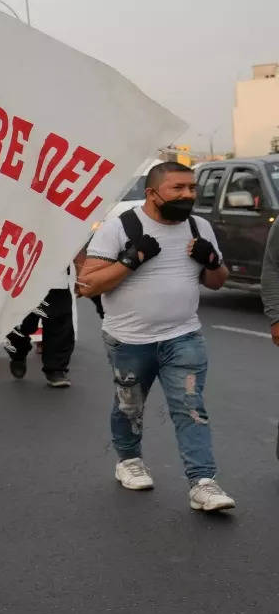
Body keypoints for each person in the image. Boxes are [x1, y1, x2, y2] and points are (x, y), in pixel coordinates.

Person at [79, 161, 235, 512]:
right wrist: (131, 260)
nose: (188, 195)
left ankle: (203, 482)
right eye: (178, 188)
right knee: (129, 404)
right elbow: (87, 284)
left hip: (184, 336)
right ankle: (129, 460)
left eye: (192, 188)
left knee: (191, 408)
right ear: (152, 193)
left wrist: (211, 260)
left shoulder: (199, 226)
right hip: (129, 339)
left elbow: (217, 281)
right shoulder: (122, 227)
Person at [5, 267, 76, 388]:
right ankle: (18, 352)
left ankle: (56, 368)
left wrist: (83, 271)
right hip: (21, 269)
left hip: (55, 270)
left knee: (59, 318)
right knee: (22, 322)